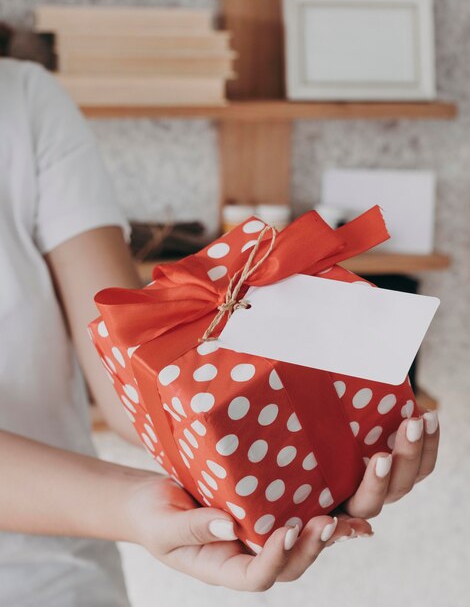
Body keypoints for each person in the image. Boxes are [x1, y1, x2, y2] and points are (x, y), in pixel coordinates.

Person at [0, 57, 440, 606]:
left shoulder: (24, 98)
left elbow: (132, 387)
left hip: (63, 584)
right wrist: (131, 507)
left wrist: (310, 445)